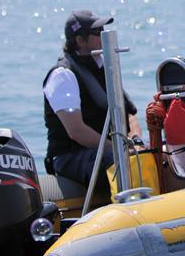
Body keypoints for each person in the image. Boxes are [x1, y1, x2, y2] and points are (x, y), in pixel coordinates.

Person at [43, 10, 144, 194]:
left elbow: (129, 112)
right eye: (97, 32)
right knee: (119, 164)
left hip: (109, 149)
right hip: (71, 156)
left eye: (104, 29)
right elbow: (76, 131)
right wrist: (118, 149)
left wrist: (136, 141)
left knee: (153, 156)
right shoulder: (63, 75)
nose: (104, 35)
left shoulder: (104, 68)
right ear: (80, 40)